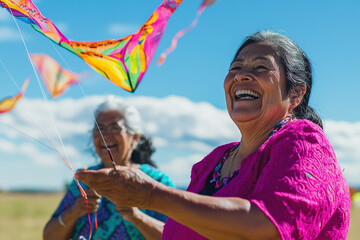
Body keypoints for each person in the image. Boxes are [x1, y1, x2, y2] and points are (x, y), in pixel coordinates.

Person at [74, 31, 351, 240]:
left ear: (295, 93)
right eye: (235, 68)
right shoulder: (214, 161)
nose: (241, 76)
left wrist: (151, 195)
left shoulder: (303, 142)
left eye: (260, 68)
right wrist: (135, 210)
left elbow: (267, 226)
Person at [43, 97, 174, 240]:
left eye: (115, 128)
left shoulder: (156, 181)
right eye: (99, 129)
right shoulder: (84, 179)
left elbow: (180, 236)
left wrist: (136, 216)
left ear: (135, 138)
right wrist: (75, 211)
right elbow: (49, 236)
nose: (105, 136)